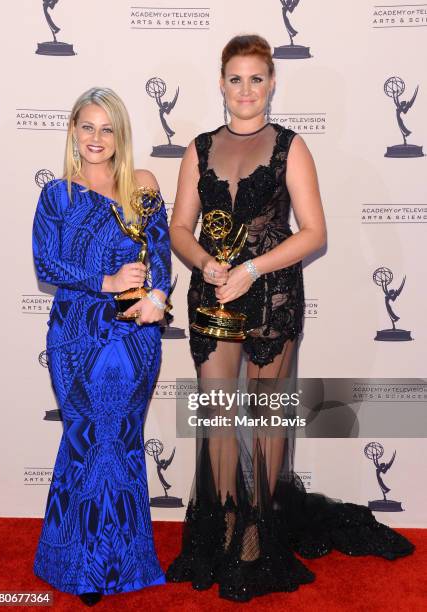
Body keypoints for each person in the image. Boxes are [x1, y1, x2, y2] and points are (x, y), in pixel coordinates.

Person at [166, 35, 414, 602]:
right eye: (235, 78)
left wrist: (251, 269)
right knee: (219, 417)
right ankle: (223, 527)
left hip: (272, 296)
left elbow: (314, 232)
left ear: (272, 83)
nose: (246, 90)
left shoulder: (290, 147)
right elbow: (181, 226)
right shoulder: (198, 148)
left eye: (257, 78)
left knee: (268, 418)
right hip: (212, 300)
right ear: (221, 82)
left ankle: (258, 536)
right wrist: (204, 262)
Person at [32, 87, 171, 606]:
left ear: (120, 135)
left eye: (106, 128)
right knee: (87, 441)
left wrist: (158, 294)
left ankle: (127, 564)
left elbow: (160, 253)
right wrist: (106, 279)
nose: (96, 138)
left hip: (134, 337)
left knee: (123, 443)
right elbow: (48, 264)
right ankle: (78, 565)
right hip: (76, 335)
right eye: (87, 127)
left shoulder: (143, 185)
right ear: (73, 131)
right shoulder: (57, 195)